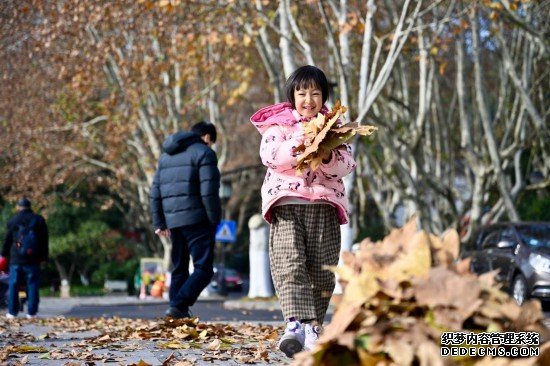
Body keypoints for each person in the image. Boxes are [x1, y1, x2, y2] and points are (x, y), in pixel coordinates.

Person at [250, 65, 357, 357]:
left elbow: (347, 165)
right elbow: (270, 156)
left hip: (324, 204)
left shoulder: (334, 126)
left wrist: (325, 155)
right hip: (287, 203)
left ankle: (313, 327)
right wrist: (302, 144)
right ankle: (295, 324)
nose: (308, 99)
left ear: (323, 97)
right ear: (292, 96)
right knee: (289, 262)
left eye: (315, 93)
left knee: (321, 271)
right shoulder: (278, 126)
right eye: (302, 93)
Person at [150, 121, 221, 319]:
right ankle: (179, 304)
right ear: (207, 137)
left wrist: (159, 222)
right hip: (198, 219)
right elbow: (209, 192)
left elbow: (154, 192)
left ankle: (177, 312)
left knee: (179, 268)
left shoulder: (166, 156)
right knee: (204, 269)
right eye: (211, 142)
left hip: (173, 222)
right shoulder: (205, 153)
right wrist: (214, 219)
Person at [1, 198, 49, 319]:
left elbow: (7, 239)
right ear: (30, 206)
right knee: (32, 285)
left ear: (18, 207)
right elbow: (44, 241)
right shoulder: (38, 220)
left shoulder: (13, 220)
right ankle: (31, 313)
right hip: (33, 259)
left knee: (13, 285)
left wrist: (4, 255)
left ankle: (12, 312)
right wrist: (44, 257)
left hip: (16, 259)